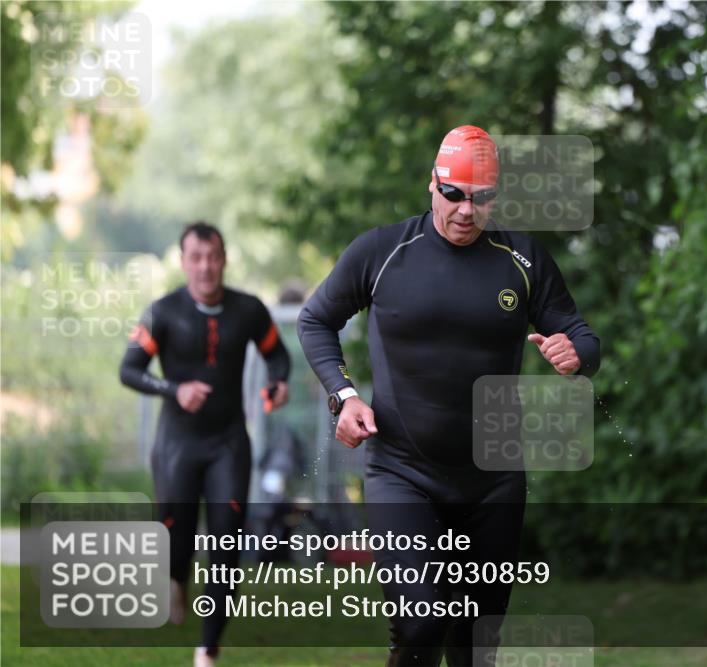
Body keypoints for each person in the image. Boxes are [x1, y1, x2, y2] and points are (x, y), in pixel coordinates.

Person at [298, 125, 600, 666]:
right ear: (432, 186)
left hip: (493, 481)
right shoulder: (383, 252)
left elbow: (581, 335)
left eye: (481, 198)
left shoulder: (523, 259)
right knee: (420, 625)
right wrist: (343, 396)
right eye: (454, 194)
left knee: (474, 646)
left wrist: (576, 354)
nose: (466, 210)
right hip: (402, 472)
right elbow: (316, 319)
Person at [119, 221, 291, 667]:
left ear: (224, 259)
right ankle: (175, 577)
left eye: (213, 257)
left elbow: (277, 354)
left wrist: (278, 383)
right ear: (183, 261)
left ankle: (208, 650)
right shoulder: (164, 312)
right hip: (177, 445)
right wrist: (174, 389)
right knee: (177, 542)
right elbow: (130, 370)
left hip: (228, 444)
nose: (205, 267)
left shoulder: (248, 310)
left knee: (226, 545)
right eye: (196, 258)